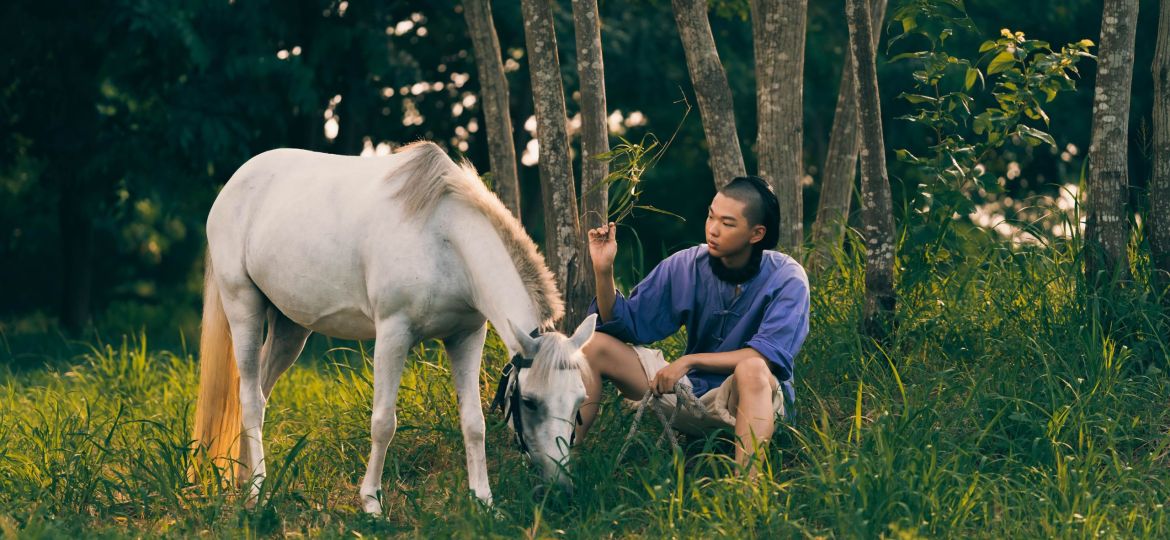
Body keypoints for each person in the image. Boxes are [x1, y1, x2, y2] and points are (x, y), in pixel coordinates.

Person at [575, 175, 810, 475]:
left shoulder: (788, 279)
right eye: (711, 216)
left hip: (752, 404)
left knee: (752, 369)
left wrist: (689, 360)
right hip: (691, 396)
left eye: (727, 223)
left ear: (756, 233)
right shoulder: (686, 265)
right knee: (593, 345)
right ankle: (563, 463)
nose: (713, 229)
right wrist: (603, 270)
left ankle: (747, 495)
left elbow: (765, 358)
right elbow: (624, 325)